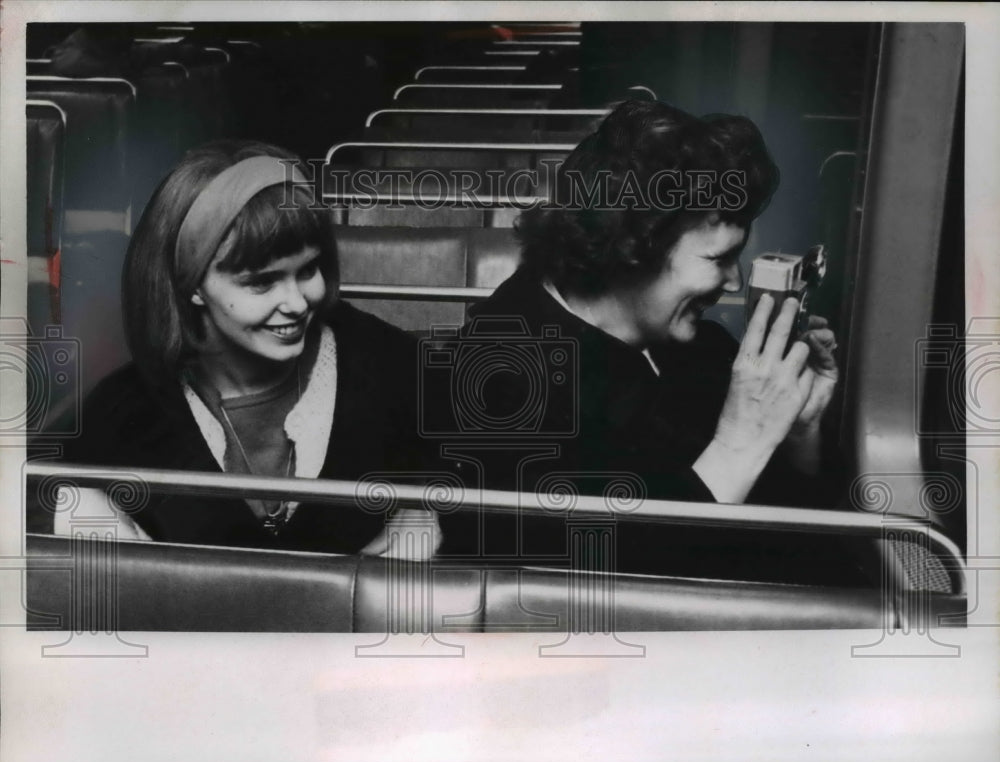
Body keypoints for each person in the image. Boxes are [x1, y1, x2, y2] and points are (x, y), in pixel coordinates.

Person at [433, 100, 843, 568]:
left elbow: (798, 546)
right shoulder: (499, 385)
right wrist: (737, 443)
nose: (735, 282)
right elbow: (613, 589)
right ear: (631, 249)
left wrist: (798, 430)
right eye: (717, 259)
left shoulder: (701, 349)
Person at [53, 140, 431, 555]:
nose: (298, 302)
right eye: (261, 281)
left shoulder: (398, 370)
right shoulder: (121, 418)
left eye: (308, 269)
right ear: (192, 285)